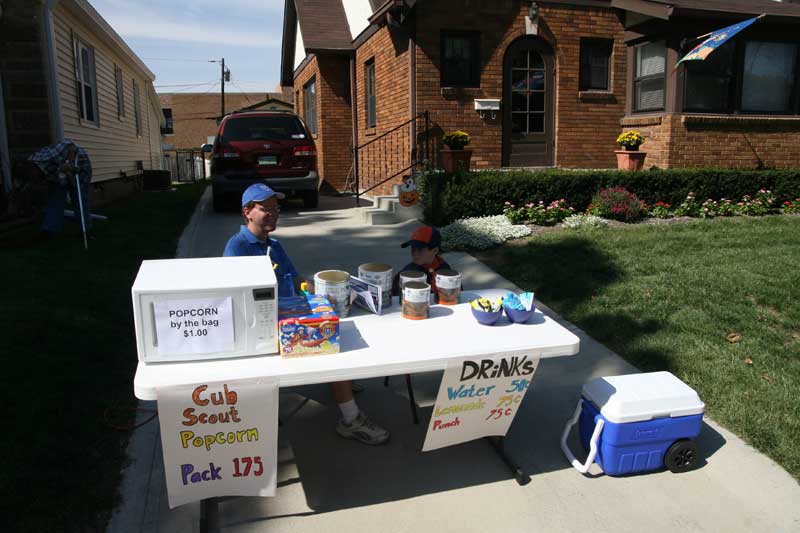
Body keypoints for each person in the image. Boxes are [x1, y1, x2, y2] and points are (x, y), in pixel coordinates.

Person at [223, 183, 390, 445]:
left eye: (276, 208)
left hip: (292, 315)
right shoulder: (238, 249)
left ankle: (338, 381)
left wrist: (322, 298)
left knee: (336, 323)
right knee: (332, 349)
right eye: (266, 208)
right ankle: (351, 419)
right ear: (247, 212)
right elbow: (240, 302)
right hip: (268, 329)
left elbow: (298, 278)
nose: (274, 213)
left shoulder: (274, 244)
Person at [29, 140, 92, 237]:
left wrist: (70, 175)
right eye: (68, 158)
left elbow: (82, 183)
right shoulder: (54, 153)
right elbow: (36, 161)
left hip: (79, 178)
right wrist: (60, 170)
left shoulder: (83, 160)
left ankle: (85, 229)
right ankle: (49, 230)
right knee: (55, 201)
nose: (69, 160)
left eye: (71, 159)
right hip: (57, 176)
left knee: (81, 202)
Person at [392, 225, 452, 299]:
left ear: (435, 250)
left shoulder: (445, 270)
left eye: (420, 249)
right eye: (413, 248)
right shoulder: (408, 273)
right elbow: (396, 297)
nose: (415, 253)